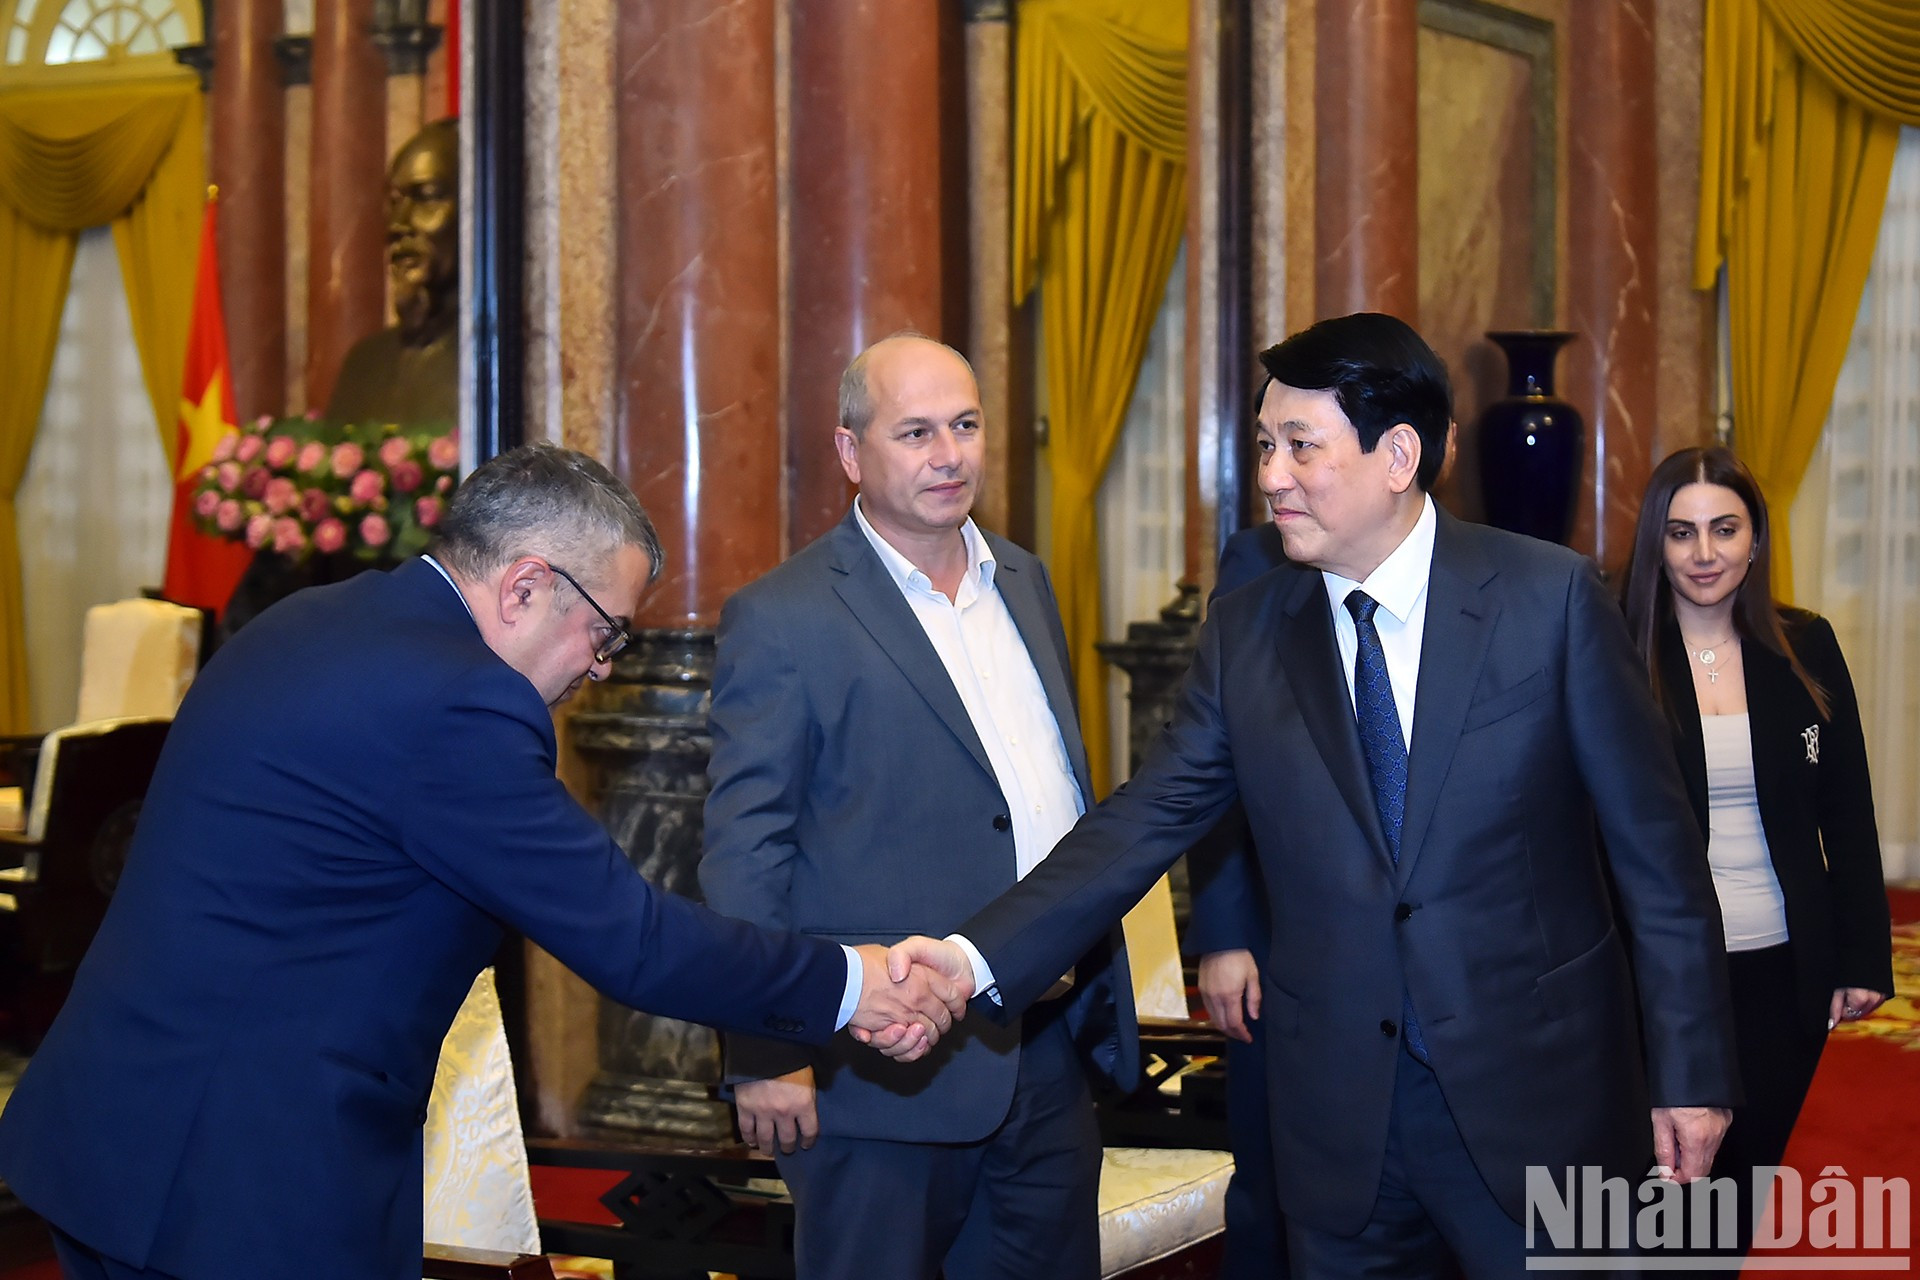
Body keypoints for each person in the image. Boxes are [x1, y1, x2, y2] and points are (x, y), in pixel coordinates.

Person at [898, 312, 1743, 1278]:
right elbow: (1142, 823)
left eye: (1301, 446)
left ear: (1399, 457)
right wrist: (971, 960)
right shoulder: (1249, 632)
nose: (1270, 476)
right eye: (1266, 445)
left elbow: (1658, 861)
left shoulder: (1547, 602)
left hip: (1537, 1099)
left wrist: (1693, 1076)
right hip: (1342, 1122)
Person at [0, 444, 966, 1280]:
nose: (601, 669)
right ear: (525, 585)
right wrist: (855, 980)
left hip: (112, 1131)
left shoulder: (316, 616)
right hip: (238, 1180)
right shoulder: (461, 702)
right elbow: (631, 940)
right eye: (608, 634)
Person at [699, 334, 1137, 1280]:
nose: (950, 454)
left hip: (1046, 1050)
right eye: (916, 432)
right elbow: (746, 850)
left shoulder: (1023, 579)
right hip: (880, 1074)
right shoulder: (783, 616)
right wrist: (763, 1047)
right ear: (853, 453)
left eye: (967, 425)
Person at [1618, 445, 1893, 1265]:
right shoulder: (1617, 652)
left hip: (1783, 968)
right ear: (1655, 545)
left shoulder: (1805, 645)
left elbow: (1848, 812)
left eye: (1724, 529)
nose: (1704, 554)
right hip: (1659, 980)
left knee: (1746, 1192)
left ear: (1755, 538)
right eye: (1681, 533)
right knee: (1662, 1200)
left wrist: (1862, 955)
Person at [1180, 521, 1289, 1280]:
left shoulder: (1482, 566)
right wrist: (1222, 934)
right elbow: (1220, 764)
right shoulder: (1260, 556)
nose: (1279, 474)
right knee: (1273, 1182)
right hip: (1280, 947)